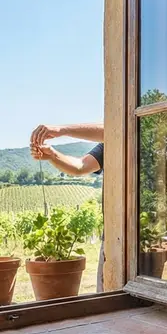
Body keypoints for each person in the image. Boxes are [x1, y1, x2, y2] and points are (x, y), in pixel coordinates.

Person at [30, 122, 104, 290]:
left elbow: (116, 128)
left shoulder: (129, 130)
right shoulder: (112, 144)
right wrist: (52, 155)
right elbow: (81, 167)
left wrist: (62, 130)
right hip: (115, 231)